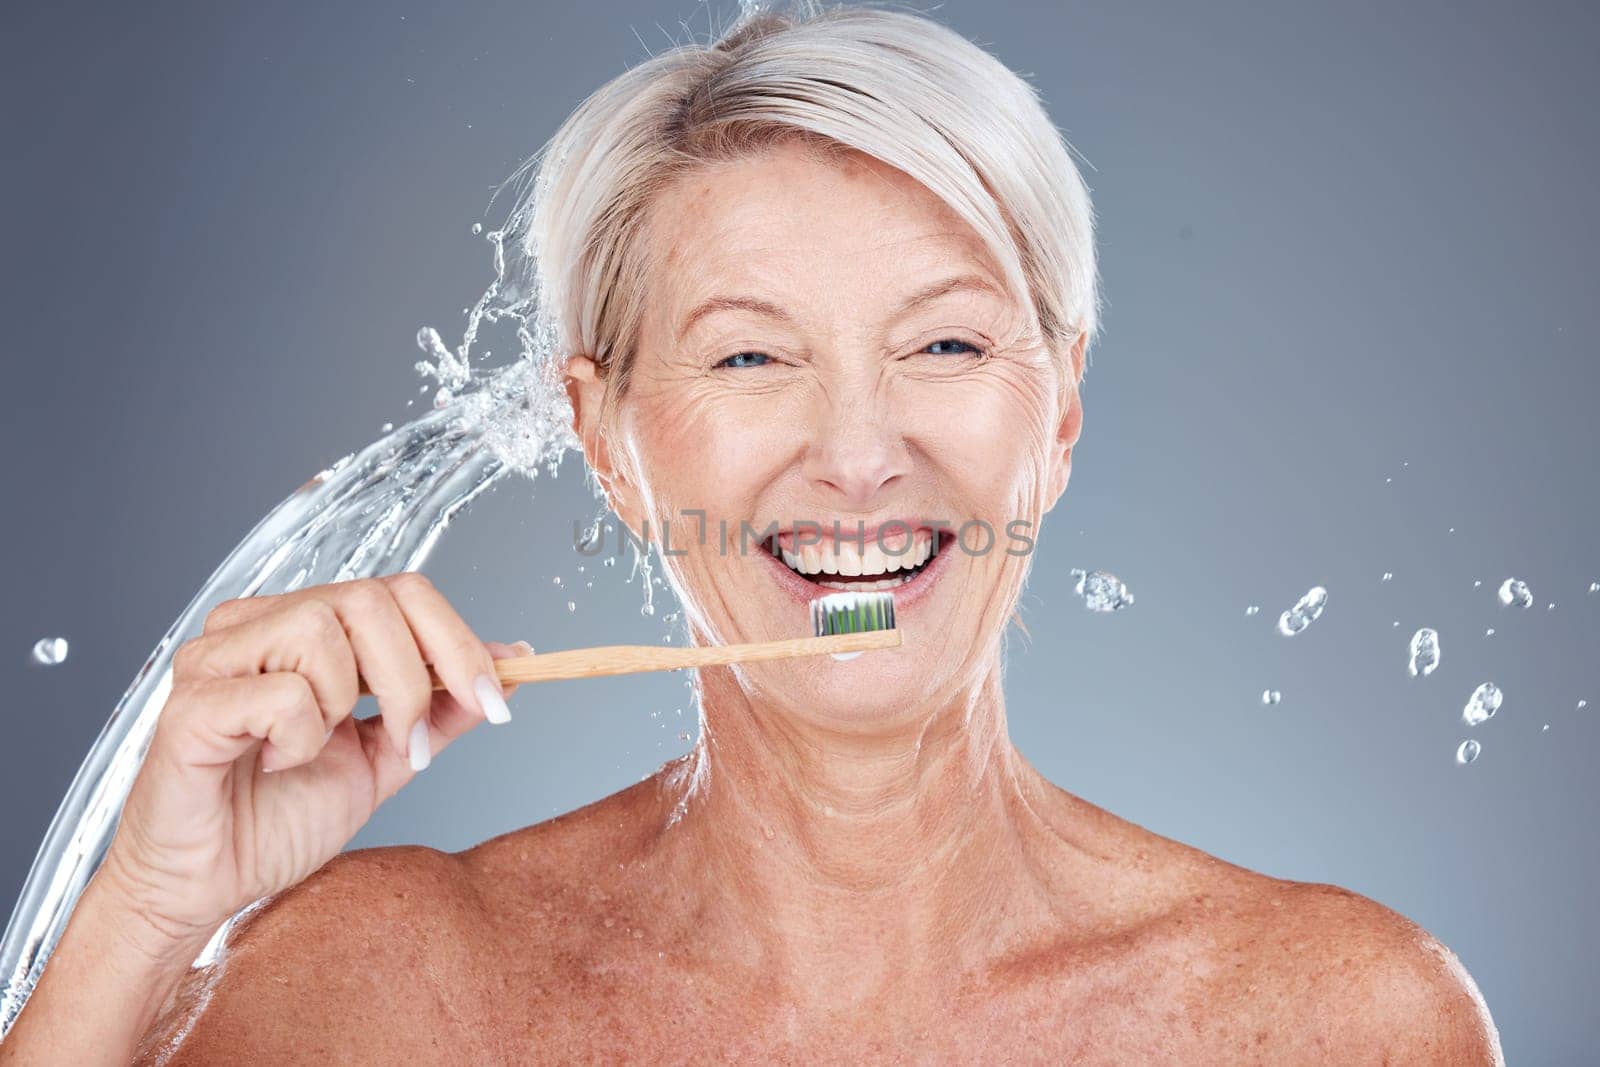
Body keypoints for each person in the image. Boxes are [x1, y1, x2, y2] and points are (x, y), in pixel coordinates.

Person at [0, 4, 1501, 1062]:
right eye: (748, 357)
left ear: (1059, 415)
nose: (859, 456)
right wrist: (147, 909)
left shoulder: (1342, 1022)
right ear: (605, 439)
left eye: (948, 349)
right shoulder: (368, 999)